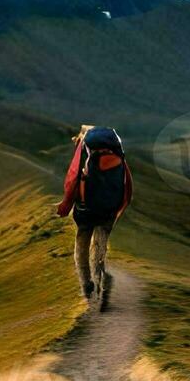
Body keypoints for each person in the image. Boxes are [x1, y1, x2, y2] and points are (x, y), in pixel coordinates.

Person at [55, 125, 133, 306]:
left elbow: (73, 177)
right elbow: (127, 181)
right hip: (108, 211)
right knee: (100, 246)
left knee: (81, 247)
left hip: (85, 209)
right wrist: (120, 206)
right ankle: (103, 282)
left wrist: (66, 205)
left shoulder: (84, 149)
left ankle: (86, 286)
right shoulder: (116, 150)